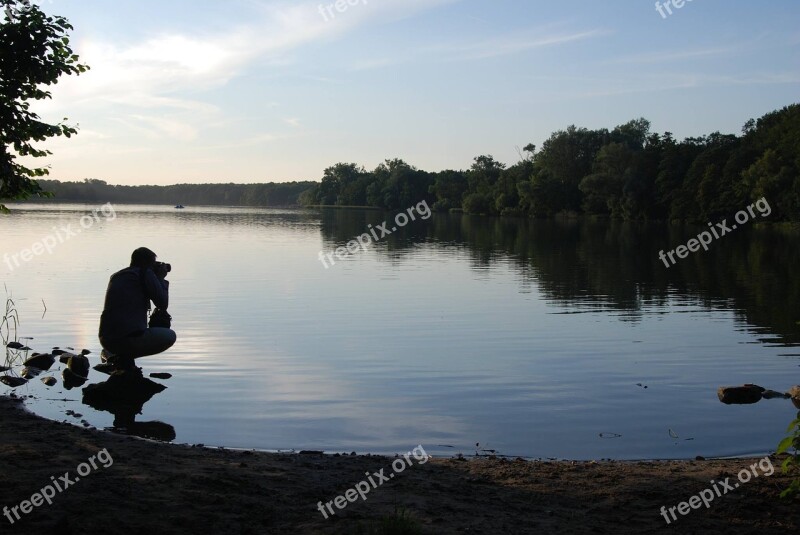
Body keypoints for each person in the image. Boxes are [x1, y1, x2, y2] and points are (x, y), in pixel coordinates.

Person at [98, 247, 176, 373]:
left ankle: (119, 356)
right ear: (147, 263)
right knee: (170, 336)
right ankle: (125, 356)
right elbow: (162, 304)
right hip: (127, 340)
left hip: (106, 340)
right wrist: (160, 278)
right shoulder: (145, 273)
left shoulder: (117, 276)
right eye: (153, 264)